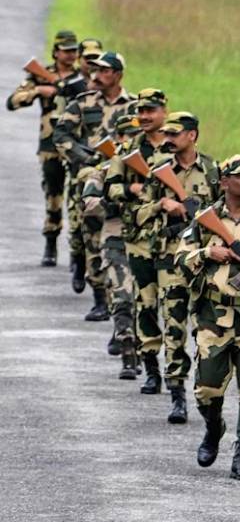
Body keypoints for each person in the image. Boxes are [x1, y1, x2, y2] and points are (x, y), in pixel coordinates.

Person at [178, 155, 240, 478]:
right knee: (207, 388)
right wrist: (210, 252)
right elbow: (180, 260)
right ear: (224, 182)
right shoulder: (205, 219)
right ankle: (213, 427)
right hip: (213, 315)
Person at [132, 111, 220, 424]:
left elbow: (223, 217)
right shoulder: (158, 170)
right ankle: (176, 393)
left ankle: (206, 392)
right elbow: (138, 214)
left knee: (208, 330)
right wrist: (161, 205)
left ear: (192, 136)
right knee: (174, 325)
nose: (168, 139)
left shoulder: (212, 170)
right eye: (166, 134)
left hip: (203, 262)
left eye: (175, 134)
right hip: (168, 259)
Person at [52, 51, 134, 303]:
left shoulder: (134, 107)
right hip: (89, 179)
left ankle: (121, 291)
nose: (97, 75)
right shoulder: (82, 103)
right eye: (95, 70)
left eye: (105, 71)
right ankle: (99, 294)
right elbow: (61, 136)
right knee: (88, 233)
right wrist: (84, 157)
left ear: (118, 74)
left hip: (123, 180)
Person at [104, 88, 171, 393]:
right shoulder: (128, 150)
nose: (144, 116)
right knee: (145, 306)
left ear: (163, 112)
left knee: (174, 310)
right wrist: (131, 190)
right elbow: (111, 188)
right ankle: (152, 368)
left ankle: (177, 375)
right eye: (141, 111)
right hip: (139, 239)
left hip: (172, 241)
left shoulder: (176, 147)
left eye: (151, 111)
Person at [6, 30, 81, 266]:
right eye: (66, 50)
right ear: (56, 52)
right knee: (53, 193)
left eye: (73, 50)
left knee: (79, 196)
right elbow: (12, 102)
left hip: (79, 142)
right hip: (50, 143)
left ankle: (79, 250)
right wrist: (39, 90)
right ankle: (51, 240)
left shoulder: (84, 76)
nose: (70, 55)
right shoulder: (41, 75)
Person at [80, 112, 142, 377]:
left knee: (145, 301)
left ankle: (144, 351)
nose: (132, 140)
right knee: (122, 295)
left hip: (149, 242)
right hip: (116, 238)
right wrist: (122, 196)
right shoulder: (104, 169)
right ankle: (128, 351)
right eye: (127, 135)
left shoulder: (159, 169)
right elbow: (89, 204)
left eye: (136, 135)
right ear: (118, 138)